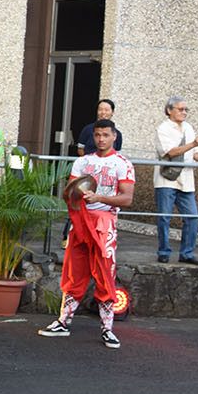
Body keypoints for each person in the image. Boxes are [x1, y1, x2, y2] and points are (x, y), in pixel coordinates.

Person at [38, 119, 134, 348]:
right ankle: (63, 321)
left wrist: (99, 197)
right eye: (97, 135)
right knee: (74, 271)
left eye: (105, 135)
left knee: (104, 273)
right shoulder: (82, 162)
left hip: (105, 222)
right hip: (80, 220)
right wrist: (76, 196)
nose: (101, 139)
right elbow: (71, 192)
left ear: (114, 137)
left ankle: (108, 328)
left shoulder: (123, 164)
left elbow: (127, 198)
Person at [154, 96, 198, 265]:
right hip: (167, 179)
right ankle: (163, 251)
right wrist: (193, 144)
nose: (184, 112)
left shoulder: (188, 127)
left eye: (186, 109)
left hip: (186, 179)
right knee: (164, 217)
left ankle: (187, 253)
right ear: (169, 110)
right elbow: (170, 152)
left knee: (192, 216)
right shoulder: (163, 128)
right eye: (180, 109)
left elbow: (193, 152)